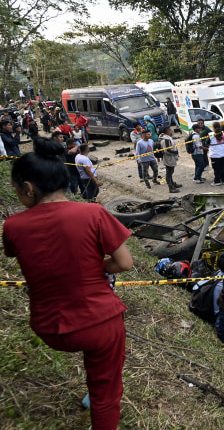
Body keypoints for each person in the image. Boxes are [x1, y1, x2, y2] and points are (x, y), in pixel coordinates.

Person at [3, 138, 134, 429]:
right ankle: (96, 394)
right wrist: (97, 266)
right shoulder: (93, 213)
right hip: (100, 322)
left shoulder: (12, 226)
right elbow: (125, 263)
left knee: (94, 361)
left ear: (28, 188)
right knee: (106, 393)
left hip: (48, 326)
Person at [158, 125, 181, 193]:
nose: (172, 131)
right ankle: (170, 187)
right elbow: (167, 150)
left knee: (171, 172)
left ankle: (172, 184)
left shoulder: (168, 138)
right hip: (169, 158)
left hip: (171, 157)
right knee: (169, 173)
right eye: (171, 130)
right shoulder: (166, 140)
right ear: (168, 131)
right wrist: (175, 152)